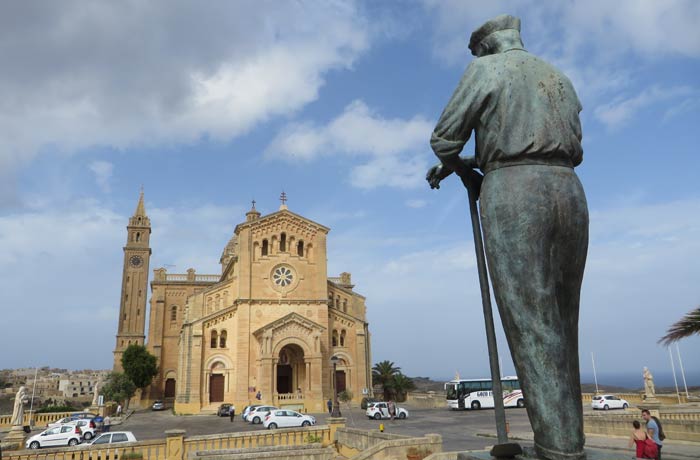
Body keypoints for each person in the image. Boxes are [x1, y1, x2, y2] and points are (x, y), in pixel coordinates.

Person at [427, 14, 588, 460]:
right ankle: (568, 443)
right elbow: (561, 140)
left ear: (484, 46)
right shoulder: (557, 76)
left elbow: (443, 140)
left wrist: (467, 172)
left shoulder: (484, 69)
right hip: (569, 190)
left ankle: (558, 449)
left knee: (530, 321)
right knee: (562, 318)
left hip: (513, 192)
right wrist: (478, 159)